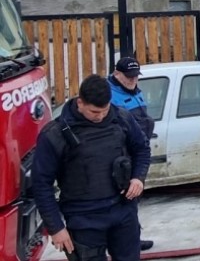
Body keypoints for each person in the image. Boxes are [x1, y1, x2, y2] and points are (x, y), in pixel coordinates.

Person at [31, 74, 151, 261]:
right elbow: (41, 184)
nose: (101, 116)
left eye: (105, 110)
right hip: (83, 220)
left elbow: (142, 149)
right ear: (80, 103)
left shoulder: (121, 119)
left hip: (122, 211)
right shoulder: (55, 134)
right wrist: (56, 227)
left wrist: (138, 177)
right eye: (95, 112)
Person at [108, 56, 155, 251]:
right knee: (124, 199)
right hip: (120, 158)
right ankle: (125, 241)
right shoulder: (109, 95)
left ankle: (133, 237)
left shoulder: (134, 90)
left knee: (133, 198)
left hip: (136, 152)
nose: (133, 80)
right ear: (116, 74)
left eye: (136, 76)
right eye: (128, 77)